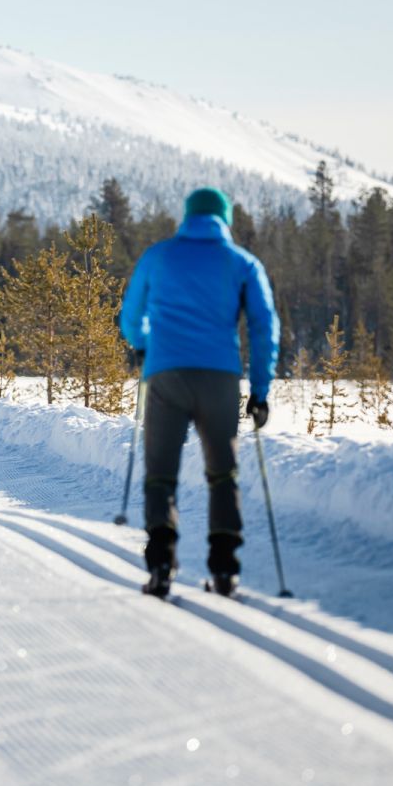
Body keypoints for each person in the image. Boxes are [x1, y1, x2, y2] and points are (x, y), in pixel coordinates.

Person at [119, 187, 279, 598]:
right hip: (220, 378)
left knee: (161, 474)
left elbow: (131, 316)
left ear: (187, 216)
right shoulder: (243, 263)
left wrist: (144, 344)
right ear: (225, 219)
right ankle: (225, 570)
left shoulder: (158, 256)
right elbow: (264, 328)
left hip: (166, 375)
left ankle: (160, 565)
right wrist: (260, 389)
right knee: (223, 472)